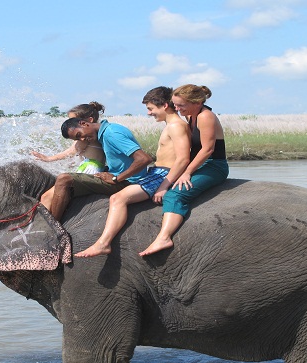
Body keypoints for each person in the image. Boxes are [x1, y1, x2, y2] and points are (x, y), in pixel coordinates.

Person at [75, 87, 191, 257]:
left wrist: (164, 185)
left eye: (151, 108)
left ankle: (103, 243)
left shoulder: (176, 126)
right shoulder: (171, 125)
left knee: (118, 198)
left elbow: (182, 159)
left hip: (163, 174)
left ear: (165, 105)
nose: (149, 113)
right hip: (157, 171)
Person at [139, 84, 229, 256]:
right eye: (175, 104)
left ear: (196, 102)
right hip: (200, 164)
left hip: (213, 165)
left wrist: (186, 172)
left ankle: (164, 237)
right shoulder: (192, 116)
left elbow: (208, 149)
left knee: (175, 193)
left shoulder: (205, 116)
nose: (177, 109)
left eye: (181, 105)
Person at [40, 117, 153, 221]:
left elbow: (144, 159)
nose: (83, 139)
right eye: (78, 138)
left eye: (79, 134)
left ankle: (54, 226)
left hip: (127, 182)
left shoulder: (111, 134)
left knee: (63, 179)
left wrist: (116, 178)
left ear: (83, 123)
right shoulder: (105, 133)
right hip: (120, 176)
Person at [31, 102, 106, 174]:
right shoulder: (97, 132)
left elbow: (71, 151)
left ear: (88, 121)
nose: (70, 124)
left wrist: (48, 158)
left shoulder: (84, 137)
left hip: (89, 167)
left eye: (73, 120)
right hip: (98, 166)